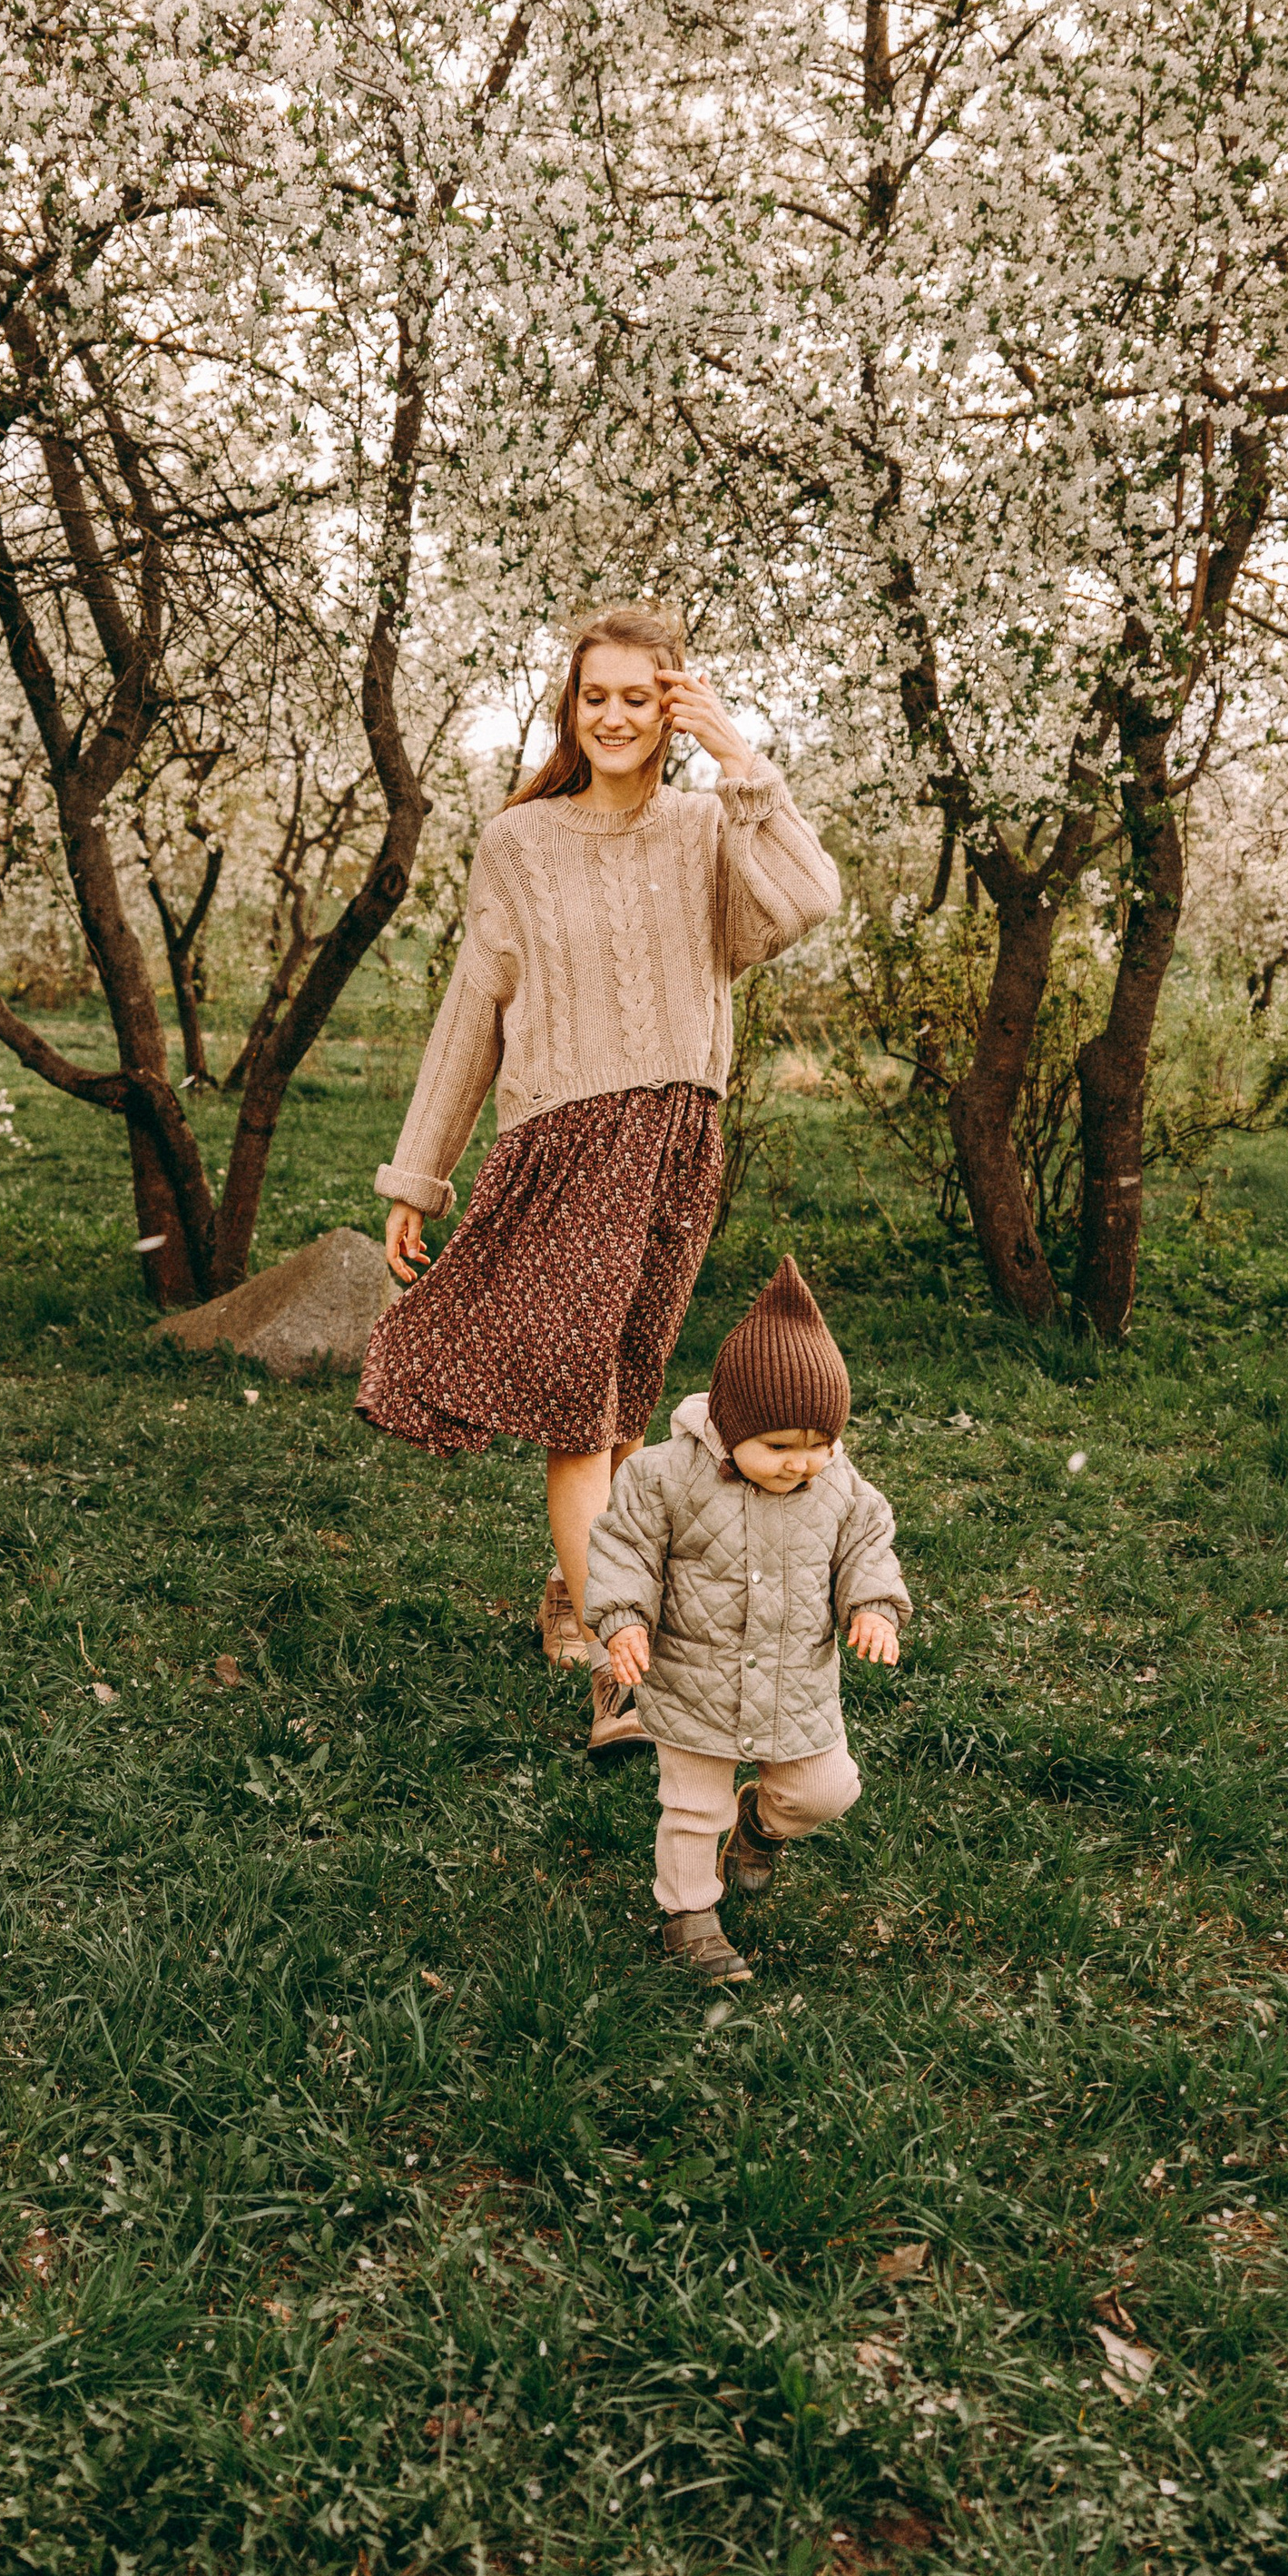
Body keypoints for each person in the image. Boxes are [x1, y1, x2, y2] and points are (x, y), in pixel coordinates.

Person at [358, 602, 840, 1758]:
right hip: (562, 1145)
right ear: (568, 709)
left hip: (678, 1145)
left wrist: (735, 755)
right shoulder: (519, 842)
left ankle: (573, 1597)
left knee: (621, 1412)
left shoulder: (705, 828)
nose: (613, 715)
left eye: (640, 695)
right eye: (594, 696)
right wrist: (417, 1176)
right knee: (579, 1421)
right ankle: (626, 1682)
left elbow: (808, 897)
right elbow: (474, 1005)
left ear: (669, 705)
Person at [583, 1257, 909, 1982]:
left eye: (822, 1442)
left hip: (794, 1682)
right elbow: (624, 1547)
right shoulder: (662, 1476)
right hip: (694, 1677)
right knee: (694, 1808)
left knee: (828, 1790)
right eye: (782, 1447)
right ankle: (689, 1917)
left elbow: (867, 1547)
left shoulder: (840, 1489)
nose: (806, 1463)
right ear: (730, 1429)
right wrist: (624, 1619)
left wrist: (875, 1605)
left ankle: (760, 1825)